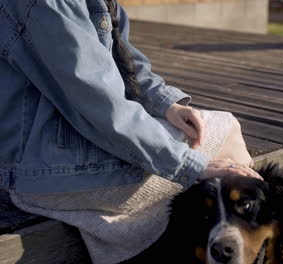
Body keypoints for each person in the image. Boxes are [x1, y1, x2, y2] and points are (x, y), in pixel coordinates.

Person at [0, 0, 261, 263]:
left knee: (217, 138)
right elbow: (98, 102)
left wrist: (165, 103)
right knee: (225, 140)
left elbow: (122, 57)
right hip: (44, 168)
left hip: (69, 143)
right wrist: (188, 165)